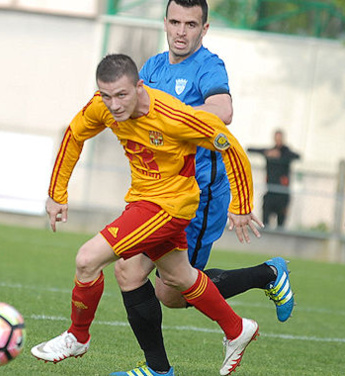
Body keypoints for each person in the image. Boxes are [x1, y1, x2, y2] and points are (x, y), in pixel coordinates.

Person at [30, 54, 261, 376]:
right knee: (179, 277)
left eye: (122, 95)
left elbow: (231, 148)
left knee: (87, 259)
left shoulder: (175, 116)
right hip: (143, 199)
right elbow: (74, 135)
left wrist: (241, 204)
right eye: (107, 95)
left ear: (140, 87)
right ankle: (236, 329)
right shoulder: (103, 106)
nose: (114, 105)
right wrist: (57, 193)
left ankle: (77, 337)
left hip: (170, 206)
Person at [111, 1, 295, 375]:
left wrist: (172, 119)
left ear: (204, 29)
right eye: (175, 22)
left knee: (172, 289)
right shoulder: (153, 67)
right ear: (165, 23)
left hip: (199, 197)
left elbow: (222, 110)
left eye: (191, 24)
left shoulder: (208, 65)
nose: (181, 31)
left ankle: (268, 276)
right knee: (135, 275)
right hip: (161, 193)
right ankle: (159, 369)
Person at [248, 129, 301, 228]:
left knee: (281, 224)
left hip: (282, 193)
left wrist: (280, 156)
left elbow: (298, 156)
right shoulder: (270, 151)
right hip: (270, 192)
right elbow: (250, 149)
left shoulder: (286, 152)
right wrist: (269, 153)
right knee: (265, 221)